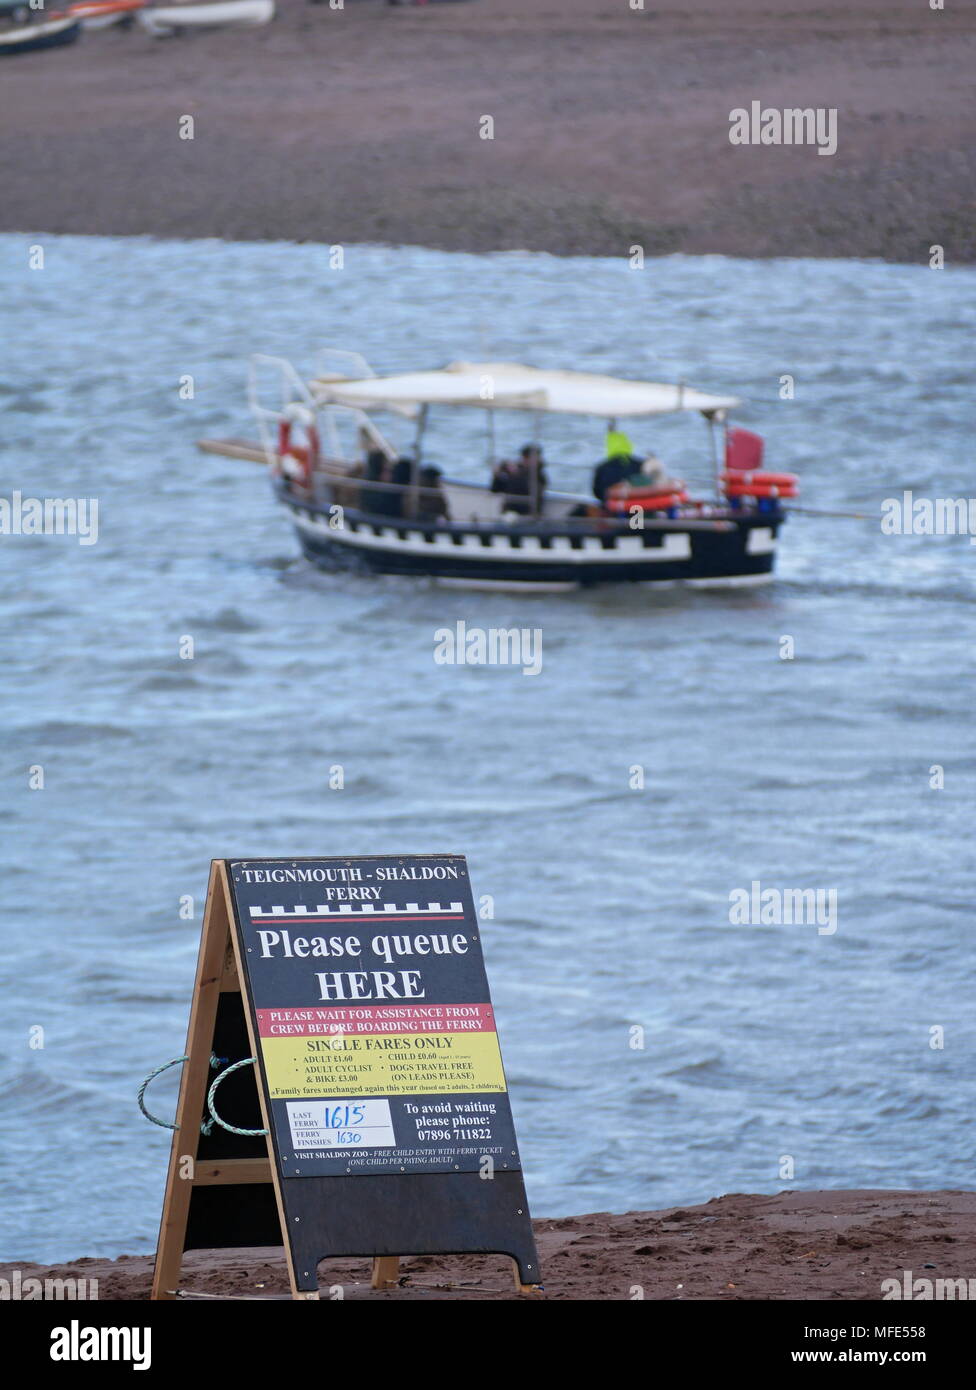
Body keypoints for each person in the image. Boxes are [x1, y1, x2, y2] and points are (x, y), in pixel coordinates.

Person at [491, 444, 547, 516]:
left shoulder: (539, 475)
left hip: (528, 512)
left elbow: (529, 489)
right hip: (510, 511)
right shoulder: (517, 471)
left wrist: (515, 474)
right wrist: (497, 475)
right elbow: (495, 490)